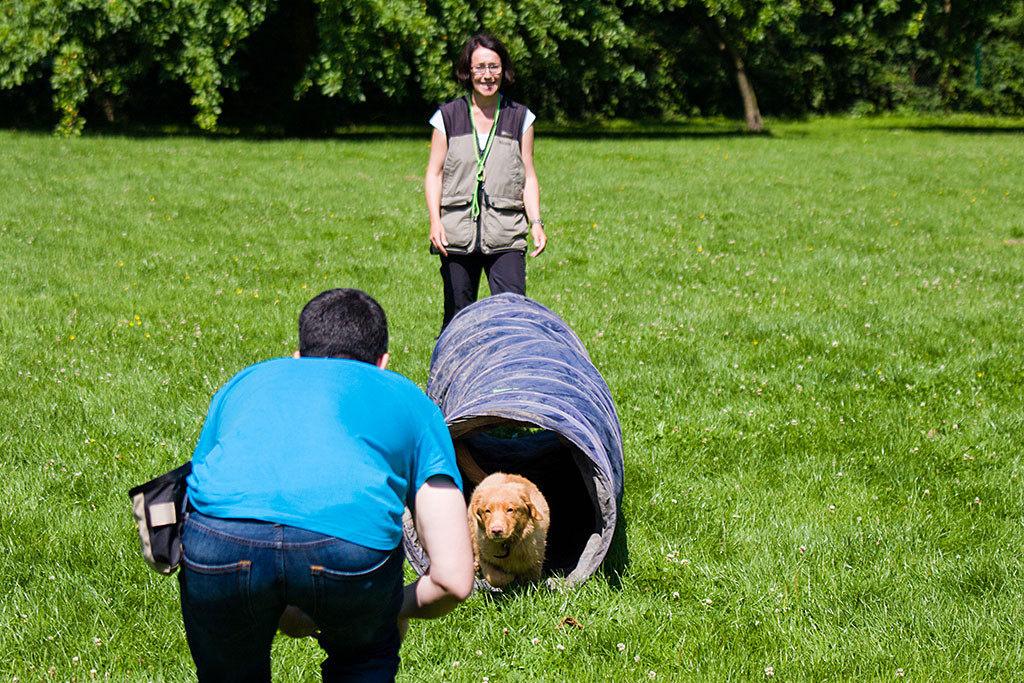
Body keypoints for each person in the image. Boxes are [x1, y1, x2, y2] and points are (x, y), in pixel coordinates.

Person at [178, 288, 474, 682]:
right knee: (361, 662)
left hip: (217, 541)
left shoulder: (244, 381)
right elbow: (453, 580)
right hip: (349, 550)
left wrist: (279, 598)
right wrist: (389, 606)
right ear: (382, 363)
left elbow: (191, 493)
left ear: (297, 356)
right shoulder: (410, 399)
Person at [425, 32, 547, 331]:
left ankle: (510, 374)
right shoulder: (447, 117)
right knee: (456, 317)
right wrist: (435, 221)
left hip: (506, 233)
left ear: (504, 70)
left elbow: (528, 174)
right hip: (455, 234)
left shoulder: (521, 118)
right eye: (480, 67)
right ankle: (451, 376)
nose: (488, 75)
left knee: (513, 317)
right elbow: (434, 173)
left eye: (494, 67)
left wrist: (536, 222)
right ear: (468, 71)